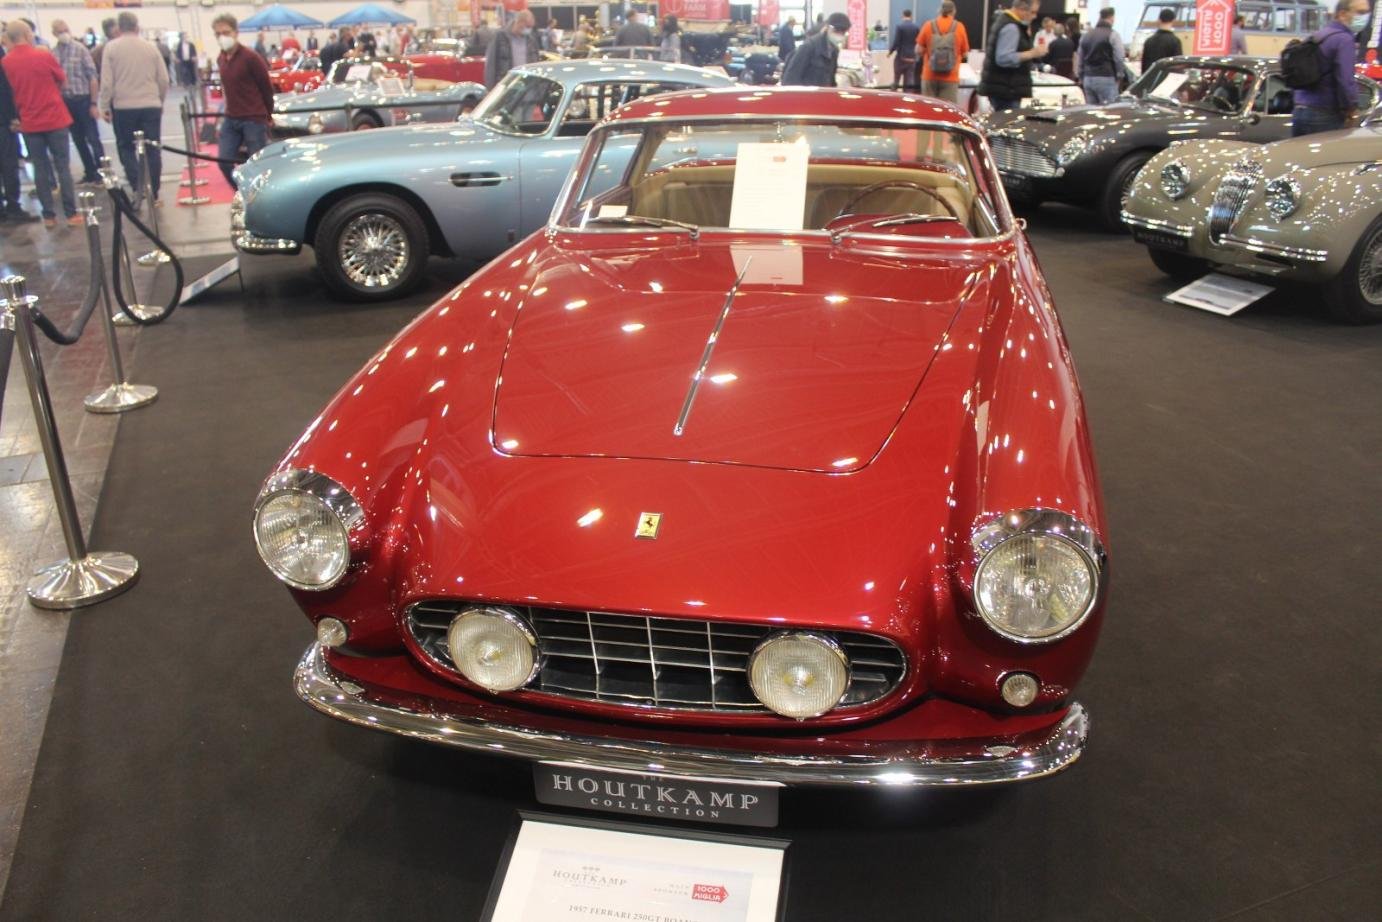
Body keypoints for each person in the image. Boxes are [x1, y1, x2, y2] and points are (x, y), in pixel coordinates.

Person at [1, 21, 80, 226]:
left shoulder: (6, 62)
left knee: (40, 168)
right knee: (63, 167)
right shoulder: (43, 55)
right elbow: (62, 80)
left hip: (29, 121)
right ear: (27, 34)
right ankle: (71, 214)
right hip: (54, 117)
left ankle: (48, 216)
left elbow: (9, 92)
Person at [98, 11, 168, 202]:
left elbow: (106, 82)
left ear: (119, 28)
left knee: (126, 147)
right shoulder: (150, 48)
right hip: (150, 104)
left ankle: (138, 186)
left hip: (124, 107)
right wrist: (160, 100)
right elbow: (163, 79)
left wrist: (104, 106)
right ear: (137, 27)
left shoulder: (111, 48)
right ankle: (154, 190)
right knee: (152, 148)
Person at [211, 15, 274, 190]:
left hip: (253, 119)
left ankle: (260, 197)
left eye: (226, 32)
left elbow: (266, 88)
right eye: (218, 34)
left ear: (236, 32)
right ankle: (242, 193)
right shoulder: (221, 58)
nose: (222, 37)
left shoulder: (251, 57)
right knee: (224, 161)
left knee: (258, 165)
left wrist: (268, 115)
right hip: (231, 118)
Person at [1292, 0, 1372, 135]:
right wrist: (1351, 108)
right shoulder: (1344, 39)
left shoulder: (1318, 36)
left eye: (1367, 12)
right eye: (1361, 12)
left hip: (1300, 110)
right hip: (1325, 113)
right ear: (1342, 14)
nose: (1365, 17)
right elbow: (1345, 80)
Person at [50, 19, 104, 185]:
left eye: (65, 30)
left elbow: (92, 77)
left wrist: (93, 103)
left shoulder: (80, 49)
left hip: (83, 99)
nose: (64, 34)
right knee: (78, 139)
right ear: (54, 34)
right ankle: (90, 171)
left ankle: (102, 172)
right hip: (66, 102)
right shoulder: (53, 53)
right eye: (60, 31)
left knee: (93, 138)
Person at [979, 0, 1046, 111]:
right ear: (1022, 9)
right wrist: (1032, 53)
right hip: (1007, 90)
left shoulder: (1005, 22)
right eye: (1032, 12)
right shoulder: (1011, 27)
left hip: (1004, 88)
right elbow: (1003, 58)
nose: (1035, 16)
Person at [0, 33, 37, 222]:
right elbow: (5, 89)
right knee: (8, 164)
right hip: (3, 121)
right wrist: (13, 117)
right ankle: (13, 207)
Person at [917, 1, 970, 104]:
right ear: (954, 11)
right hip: (951, 77)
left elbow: (918, 50)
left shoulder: (928, 25)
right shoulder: (959, 27)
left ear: (939, 10)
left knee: (929, 108)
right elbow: (965, 53)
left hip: (929, 75)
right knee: (948, 108)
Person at [781, 12, 850, 87]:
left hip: (822, 92)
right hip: (806, 93)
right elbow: (790, 79)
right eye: (836, 30)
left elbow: (831, 80)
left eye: (843, 32)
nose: (839, 34)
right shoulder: (809, 46)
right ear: (827, 27)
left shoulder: (834, 51)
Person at [1078, 7, 1124, 104]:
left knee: (1091, 110)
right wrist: (1120, 75)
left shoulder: (1086, 35)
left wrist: (1081, 76)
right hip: (1106, 77)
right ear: (1112, 18)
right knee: (1109, 110)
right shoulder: (1113, 34)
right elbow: (1119, 57)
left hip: (1088, 78)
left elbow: (1080, 59)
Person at [484, 10, 538, 89]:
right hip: (505, 85)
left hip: (526, 85)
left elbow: (536, 63)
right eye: (528, 26)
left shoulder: (531, 41)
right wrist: (490, 88)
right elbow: (490, 64)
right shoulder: (500, 37)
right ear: (519, 22)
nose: (529, 30)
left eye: (531, 27)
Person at [888, 10, 921, 92]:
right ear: (911, 16)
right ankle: (908, 96)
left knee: (896, 79)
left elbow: (896, 42)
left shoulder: (900, 27)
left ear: (903, 15)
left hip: (901, 57)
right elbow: (918, 42)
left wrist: (890, 52)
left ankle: (894, 95)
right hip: (912, 58)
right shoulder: (916, 27)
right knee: (909, 80)